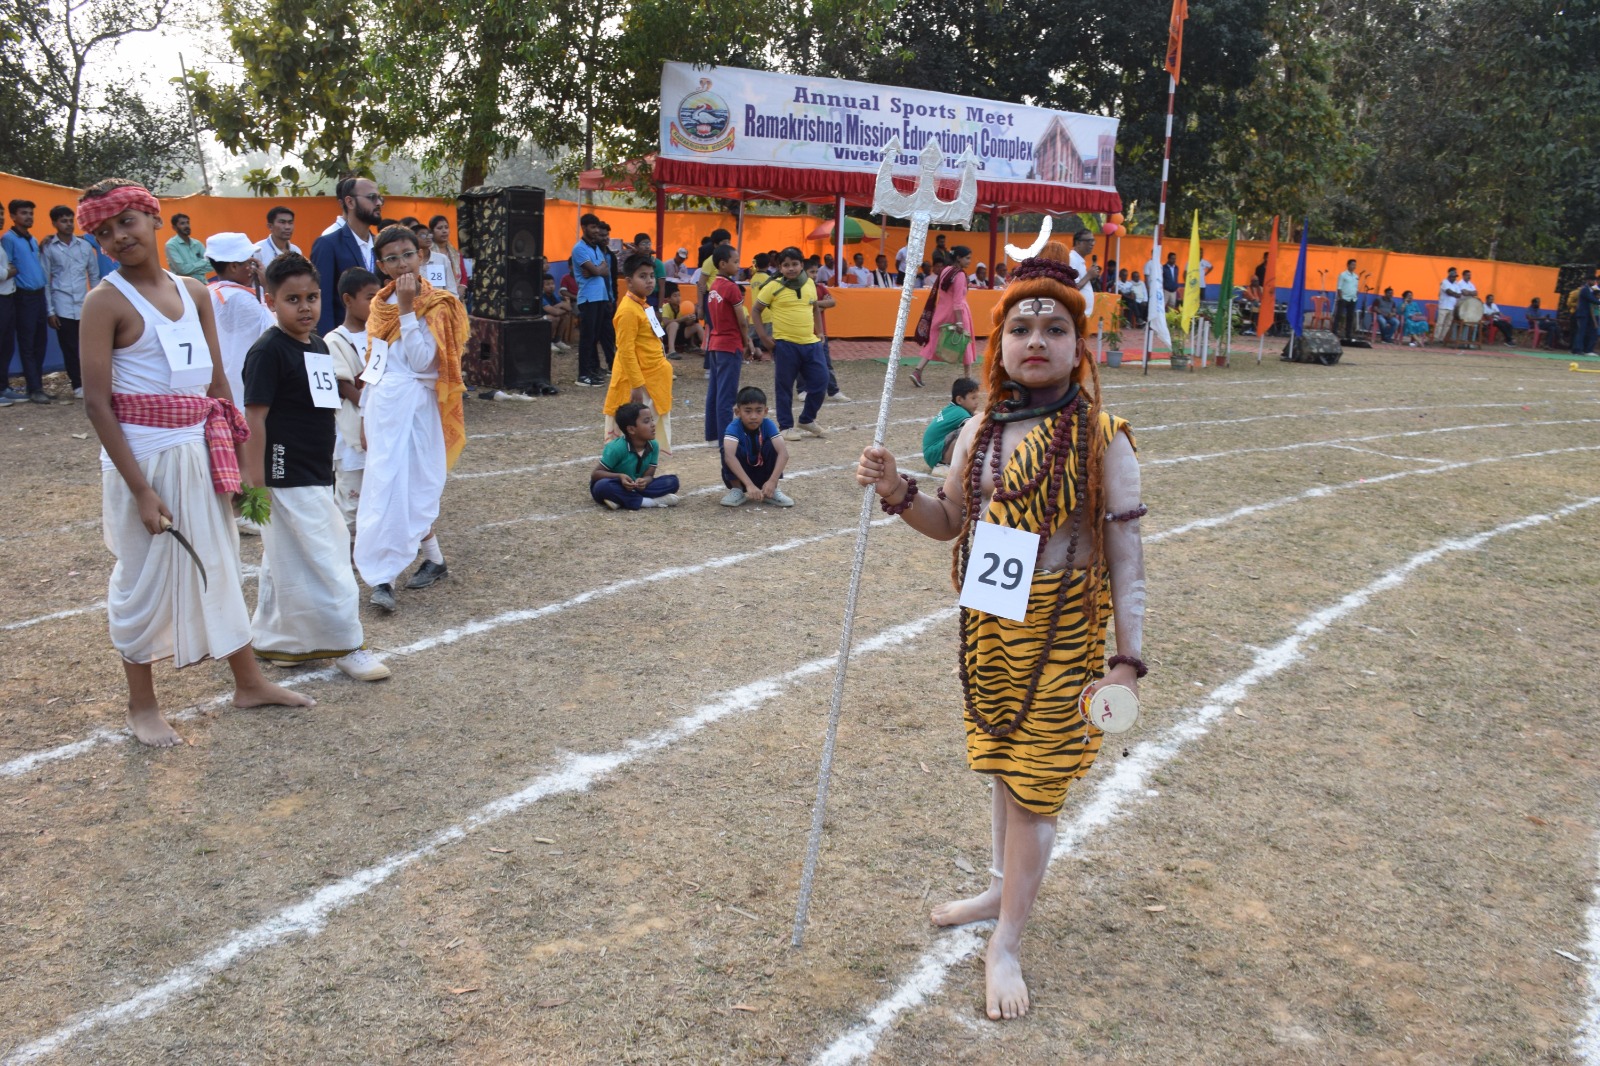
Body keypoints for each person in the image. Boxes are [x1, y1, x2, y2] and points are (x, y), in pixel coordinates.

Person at [855, 239, 1145, 1022]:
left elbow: (1128, 560)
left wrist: (1126, 660)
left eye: (1054, 328)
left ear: (1080, 345)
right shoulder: (978, 429)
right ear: (999, 343)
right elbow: (949, 520)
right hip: (990, 629)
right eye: (1021, 328)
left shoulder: (1104, 437)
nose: (1036, 341)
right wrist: (896, 490)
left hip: (1063, 638)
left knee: (1033, 791)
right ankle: (997, 890)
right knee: (1002, 771)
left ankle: (1006, 941)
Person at [75, 178, 315, 747]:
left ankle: (249, 683)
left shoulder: (195, 292)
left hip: (200, 450)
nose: (118, 237)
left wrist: (238, 464)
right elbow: (97, 403)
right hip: (144, 460)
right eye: (104, 232)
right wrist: (140, 490)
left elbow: (216, 384)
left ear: (154, 218)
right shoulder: (103, 301)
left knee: (221, 563)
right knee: (140, 579)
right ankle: (141, 705)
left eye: (127, 222)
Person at [240, 254, 389, 681]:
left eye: (312, 297)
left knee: (283, 559)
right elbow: (254, 419)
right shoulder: (268, 351)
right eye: (293, 299)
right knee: (330, 556)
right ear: (271, 302)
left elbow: (325, 404)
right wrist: (255, 484)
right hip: (285, 472)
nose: (305, 307)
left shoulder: (319, 345)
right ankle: (348, 644)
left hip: (317, 467)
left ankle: (278, 640)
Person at [355, 224, 468, 612]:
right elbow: (374, 365)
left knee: (415, 488)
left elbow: (423, 362)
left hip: (417, 407)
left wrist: (406, 309)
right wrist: (363, 413)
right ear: (381, 265)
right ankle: (383, 577)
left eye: (407, 254)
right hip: (383, 407)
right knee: (383, 488)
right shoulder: (378, 305)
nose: (402, 263)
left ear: (420, 256)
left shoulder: (439, 304)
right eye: (392, 258)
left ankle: (423, 563)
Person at [753, 246, 829, 441]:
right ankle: (786, 426)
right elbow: (756, 310)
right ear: (780, 267)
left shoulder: (809, 283)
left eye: (795, 264)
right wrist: (764, 338)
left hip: (811, 344)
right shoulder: (773, 286)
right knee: (784, 387)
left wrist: (820, 332)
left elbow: (814, 307)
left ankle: (807, 419)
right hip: (785, 345)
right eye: (786, 265)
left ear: (802, 265)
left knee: (821, 381)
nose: (791, 268)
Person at [204, 232, 275, 432]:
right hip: (245, 390)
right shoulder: (242, 299)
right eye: (248, 262)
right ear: (234, 266)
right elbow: (275, 330)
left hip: (220, 389)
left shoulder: (208, 292)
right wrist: (268, 288)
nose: (252, 267)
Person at [326, 266, 379, 534]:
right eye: (370, 297)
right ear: (348, 299)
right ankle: (344, 549)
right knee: (351, 502)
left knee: (379, 495)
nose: (376, 304)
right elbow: (343, 385)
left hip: (379, 429)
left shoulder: (379, 335)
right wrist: (374, 403)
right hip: (351, 436)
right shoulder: (334, 340)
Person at [604, 253, 675, 451]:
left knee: (647, 435)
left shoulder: (643, 305)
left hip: (653, 380)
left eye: (651, 276)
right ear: (628, 281)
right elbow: (625, 350)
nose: (649, 281)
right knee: (635, 435)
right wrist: (636, 384)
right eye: (642, 276)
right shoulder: (628, 310)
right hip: (640, 384)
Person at [41, 204, 101, 400]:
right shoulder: (49, 248)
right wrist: (50, 311)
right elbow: (45, 280)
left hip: (85, 304)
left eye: (70, 220)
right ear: (54, 223)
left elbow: (94, 276)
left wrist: (97, 303)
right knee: (70, 348)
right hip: (62, 305)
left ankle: (93, 383)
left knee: (89, 347)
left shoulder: (84, 246)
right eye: (63, 221)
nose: (68, 224)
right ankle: (77, 385)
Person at [311, 177, 383, 335]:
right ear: (350, 202)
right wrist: (328, 343)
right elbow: (323, 302)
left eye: (380, 198)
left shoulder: (380, 247)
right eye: (372, 197)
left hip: (379, 339)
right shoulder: (328, 245)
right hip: (344, 339)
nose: (378, 203)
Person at [703, 243, 755, 441]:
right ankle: (726, 438)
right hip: (729, 344)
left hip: (715, 343)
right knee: (726, 395)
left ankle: (712, 435)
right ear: (723, 264)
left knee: (714, 392)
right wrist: (746, 342)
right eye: (735, 261)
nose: (738, 265)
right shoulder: (731, 288)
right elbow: (741, 320)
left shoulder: (714, 286)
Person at [589, 402, 680, 510]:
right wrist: (620, 476)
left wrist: (644, 481)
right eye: (646, 421)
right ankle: (649, 502)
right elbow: (596, 474)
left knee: (672, 481)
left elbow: (649, 476)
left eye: (652, 420)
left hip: (636, 487)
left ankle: (621, 499)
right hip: (615, 484)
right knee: (602, 487)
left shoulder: (653, 445)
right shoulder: (616, 448)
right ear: (631, 430)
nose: (653, 424)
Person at [4, 199, 53, 403]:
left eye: (31, 213)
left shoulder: (31, 239)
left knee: (40, 342)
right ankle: (34, 388)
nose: (29, 217)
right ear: (13, 216)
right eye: (24, 213)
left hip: (39, 295)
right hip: (24, 297)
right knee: (28, 343)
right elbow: (7, 266)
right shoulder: (8, 239)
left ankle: (37, 385)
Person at [909, 245, 976, 387]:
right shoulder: (959, 275)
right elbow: (957, 301)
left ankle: (918, 371)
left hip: (940, 311)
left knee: (934, 342)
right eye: (967, 258)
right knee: (964, 342)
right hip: (957, 313)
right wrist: (959, 322)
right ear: (958, 258)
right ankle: (968, 378)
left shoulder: (946, 270)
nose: (969, 261)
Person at [720, 385, 793, 507]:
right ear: (738, 412)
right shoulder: (733, 427)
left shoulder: (768, 425)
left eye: (758, 411)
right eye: (748, 411)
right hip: (741, 475)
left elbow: (783, 454)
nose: (753, 416)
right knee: (726, 450)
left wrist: (772, 481)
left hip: (764, 476)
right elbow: (729, 457)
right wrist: (749, 485)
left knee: (773, 446)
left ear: (765, 411)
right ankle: (737, 489)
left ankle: (771, 491)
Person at [571, 213, 616, 388]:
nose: (596, 230)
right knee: (587, 337)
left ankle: (592, 371)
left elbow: (604, 270)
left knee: (595, 337)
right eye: (593, 227)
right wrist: (597, 270)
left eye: (597, 227)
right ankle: (582, 375)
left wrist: (596, 270)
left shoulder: (596, 248)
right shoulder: (579, 248)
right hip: (588, 298)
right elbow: (598, 271)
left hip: (601, 297)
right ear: (584, 228)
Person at [803, 257, 846, 404]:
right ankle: (803, 390)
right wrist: (820, 306)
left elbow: (832, 302)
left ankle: (833, 390)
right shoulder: (800, 289)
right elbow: (803, 307)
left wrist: (815, 304)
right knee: (802, 363)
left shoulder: (820, 288)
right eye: (811, 272)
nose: (815, 275)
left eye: (816, 272)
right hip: (804, 332)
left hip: (821, 333)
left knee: (826, 363)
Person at [921, 375, 981, 472]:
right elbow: (976, 424)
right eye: (973, 398)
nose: (977, 402)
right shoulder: (960, 412)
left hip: (932, 452)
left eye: (977, 398)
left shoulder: (954, 408)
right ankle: (942, 465)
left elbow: (977, 415)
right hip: (934, 455)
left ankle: (946, 462)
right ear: (959, 400)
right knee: (967, 430)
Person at [163, 213, 210, 283]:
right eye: (182, 223)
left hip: (203, 283)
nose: (187, 226)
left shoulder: (197, 243)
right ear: (174, 228)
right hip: (184, 286)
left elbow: (211, 264)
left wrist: (191, 270)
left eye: (188, 223)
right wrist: (203, 262)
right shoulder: (171, 245)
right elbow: (183, 270)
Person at [660, 281, 702, 356]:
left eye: (679, 295)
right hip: (666, 336)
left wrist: (691, 318)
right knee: (674, 324)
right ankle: (671, 351)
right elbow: (665, 322)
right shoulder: (665, 307)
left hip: (679, 335)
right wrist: (683, 319)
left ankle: (707, 348)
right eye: (675, 296)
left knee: (697, 326)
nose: (678, 298)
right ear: (668, 299)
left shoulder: (683, 307)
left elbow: (687, 324)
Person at [253, 206, 300, 273]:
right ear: (270, 226)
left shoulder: (296, 250)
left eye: (290, 223)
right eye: (282, 222)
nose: (287, 227)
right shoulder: (258, 250)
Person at [0, 202, 15, 405]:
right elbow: (2, 273)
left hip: (7, 297)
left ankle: (3, 386)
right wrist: (10, 271)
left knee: (6, 345)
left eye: (2, 214)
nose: (1, 218)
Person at [429, 216, 464, 296]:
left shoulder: (455, 253)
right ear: (431, 232)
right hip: (435, 295)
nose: (444, 231)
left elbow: (463, 274)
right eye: (439, 228)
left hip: (456, 295)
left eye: (446, 227)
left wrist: (462, 287)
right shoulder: (428, 253)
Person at [541, 273, 575, 352]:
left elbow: (569, 308)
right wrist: (561, 307)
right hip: (538, 319)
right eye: (548, 284)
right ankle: (548, 342)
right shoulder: (541, 296)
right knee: (555, 318)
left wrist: (561, 305)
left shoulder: (553, 295)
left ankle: (557, 341)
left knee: (565, 315)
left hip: (549, 316)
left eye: (552, 284)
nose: (551, 286)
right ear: (542, 286)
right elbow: (555, 312)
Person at [633, 232, 667, 306]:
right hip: (636, 296)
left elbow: (662, 288)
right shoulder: (633, 263)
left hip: (652, 298)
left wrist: (660, 309)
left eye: (648, 244)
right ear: (636, 246)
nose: (647, 247)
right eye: (643, 244)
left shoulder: (658, 264)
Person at [1067, 229, 1097, 307]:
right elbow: (1072, 288)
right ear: (1078, 243)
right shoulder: (1072, 259)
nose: (1092, 244)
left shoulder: (1079, 260)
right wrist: (1089, 275)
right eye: (1089, 241)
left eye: (1093, 240)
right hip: (1076, 310)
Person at [1434, 267, 1463, 344]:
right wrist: (1455, 294)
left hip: (1452, 307)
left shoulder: (1456, 284)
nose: (1454, 278)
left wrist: (1454, 294)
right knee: (1440, 323)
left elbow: (1459, 295)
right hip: (1443, 306)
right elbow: (1448, 292)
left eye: (1455, 277)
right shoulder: (1444, 282)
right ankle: (1436, 338)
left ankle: (1441, 338)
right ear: (1449, 276)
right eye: (1453, 277)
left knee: (1447, 324)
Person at [1572, 276, 1599, 355]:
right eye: (1593, 281)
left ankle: (1580, 349)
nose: (1594, 282)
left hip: (1586, 314)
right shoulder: (1585, 289)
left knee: (1583, 332)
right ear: (1588, 280)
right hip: (1582, 314)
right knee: (1581, 332)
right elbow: (1592, 299)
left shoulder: (1589, 289)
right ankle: (1577, 350)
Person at [1334, 258, 1359, 341]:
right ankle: (1334, 332)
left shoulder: (1356, 276)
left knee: (1350, 317)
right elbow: (1339, 287)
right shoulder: (1343, 275)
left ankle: (1348, 334)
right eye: (1352, 265)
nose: (1354, 266)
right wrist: (1341, 298)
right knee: (1339, 316)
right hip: (1344, 298)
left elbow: (1356, 287)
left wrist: (1356, 295)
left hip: (1352, 299)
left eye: (1355, 265)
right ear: (1348, 265)